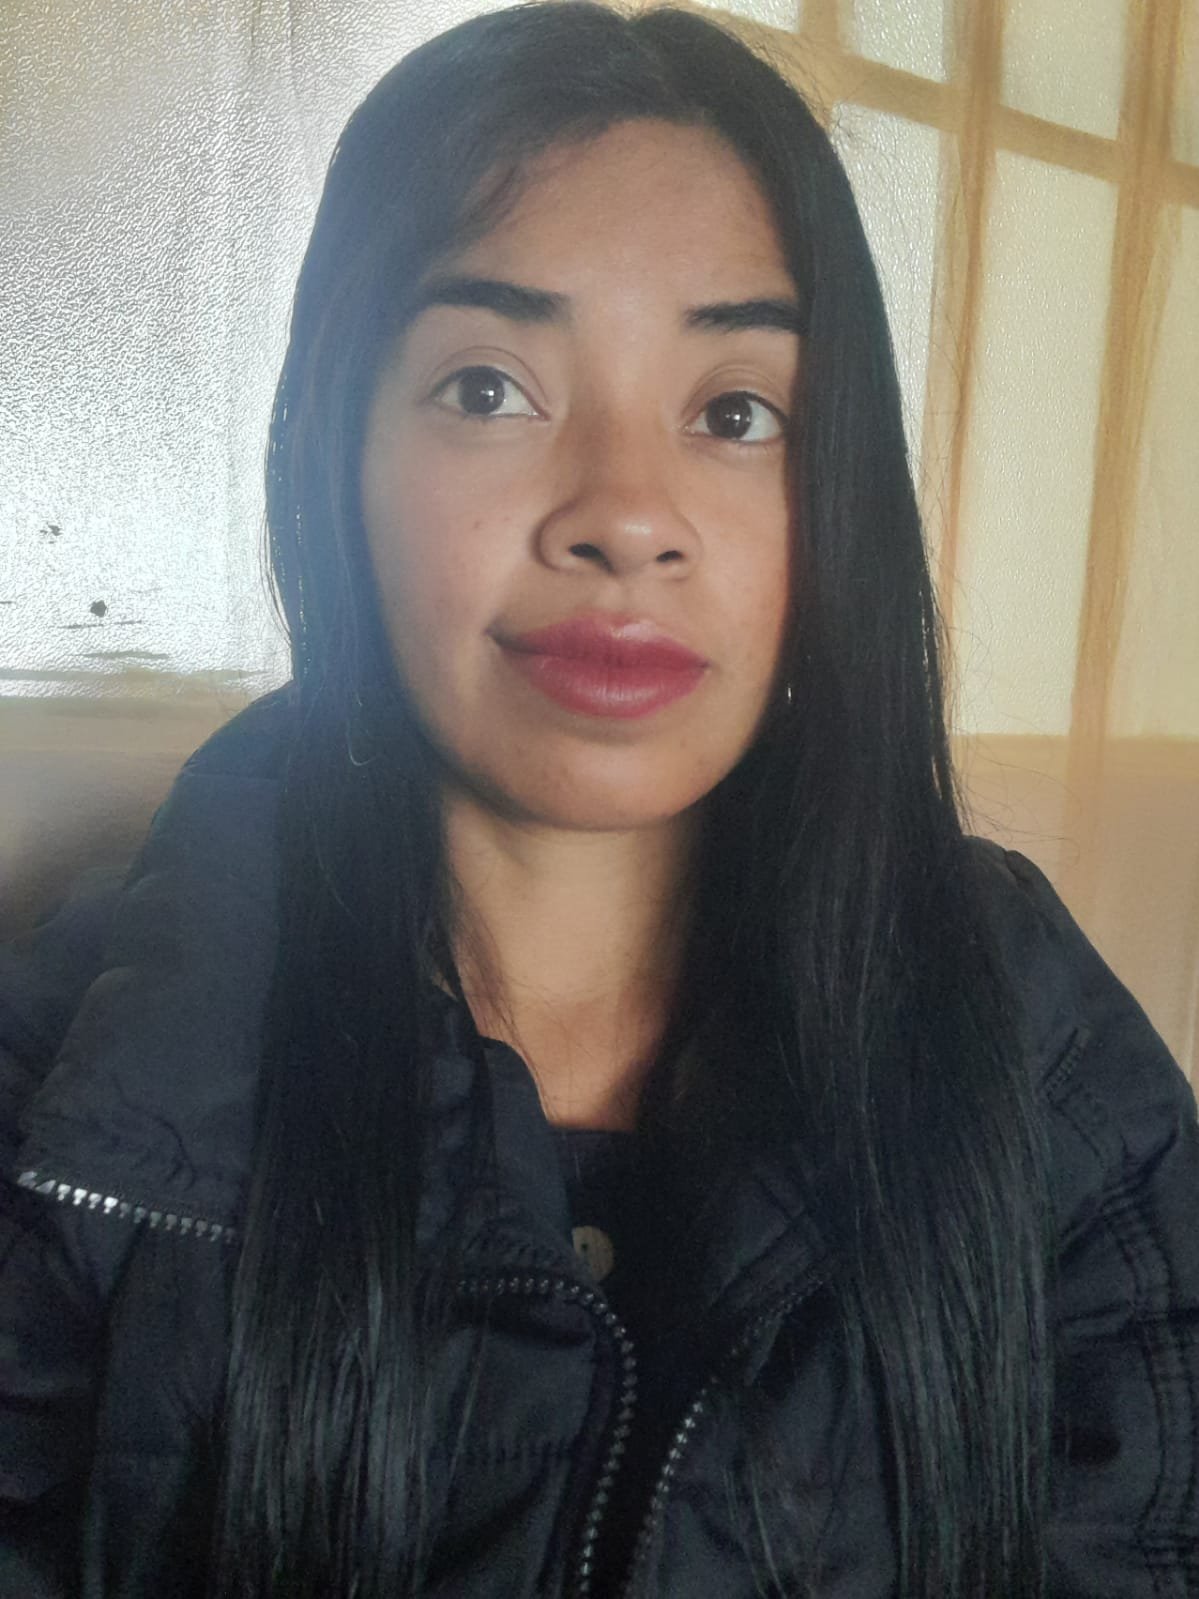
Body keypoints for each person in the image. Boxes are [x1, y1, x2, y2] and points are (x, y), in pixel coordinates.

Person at [1, 4, 1196, 1595]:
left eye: (735, 413)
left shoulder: (1034, 1050)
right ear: (333, 455)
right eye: (488, 387)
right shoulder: (87, 1086)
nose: (628, 516)